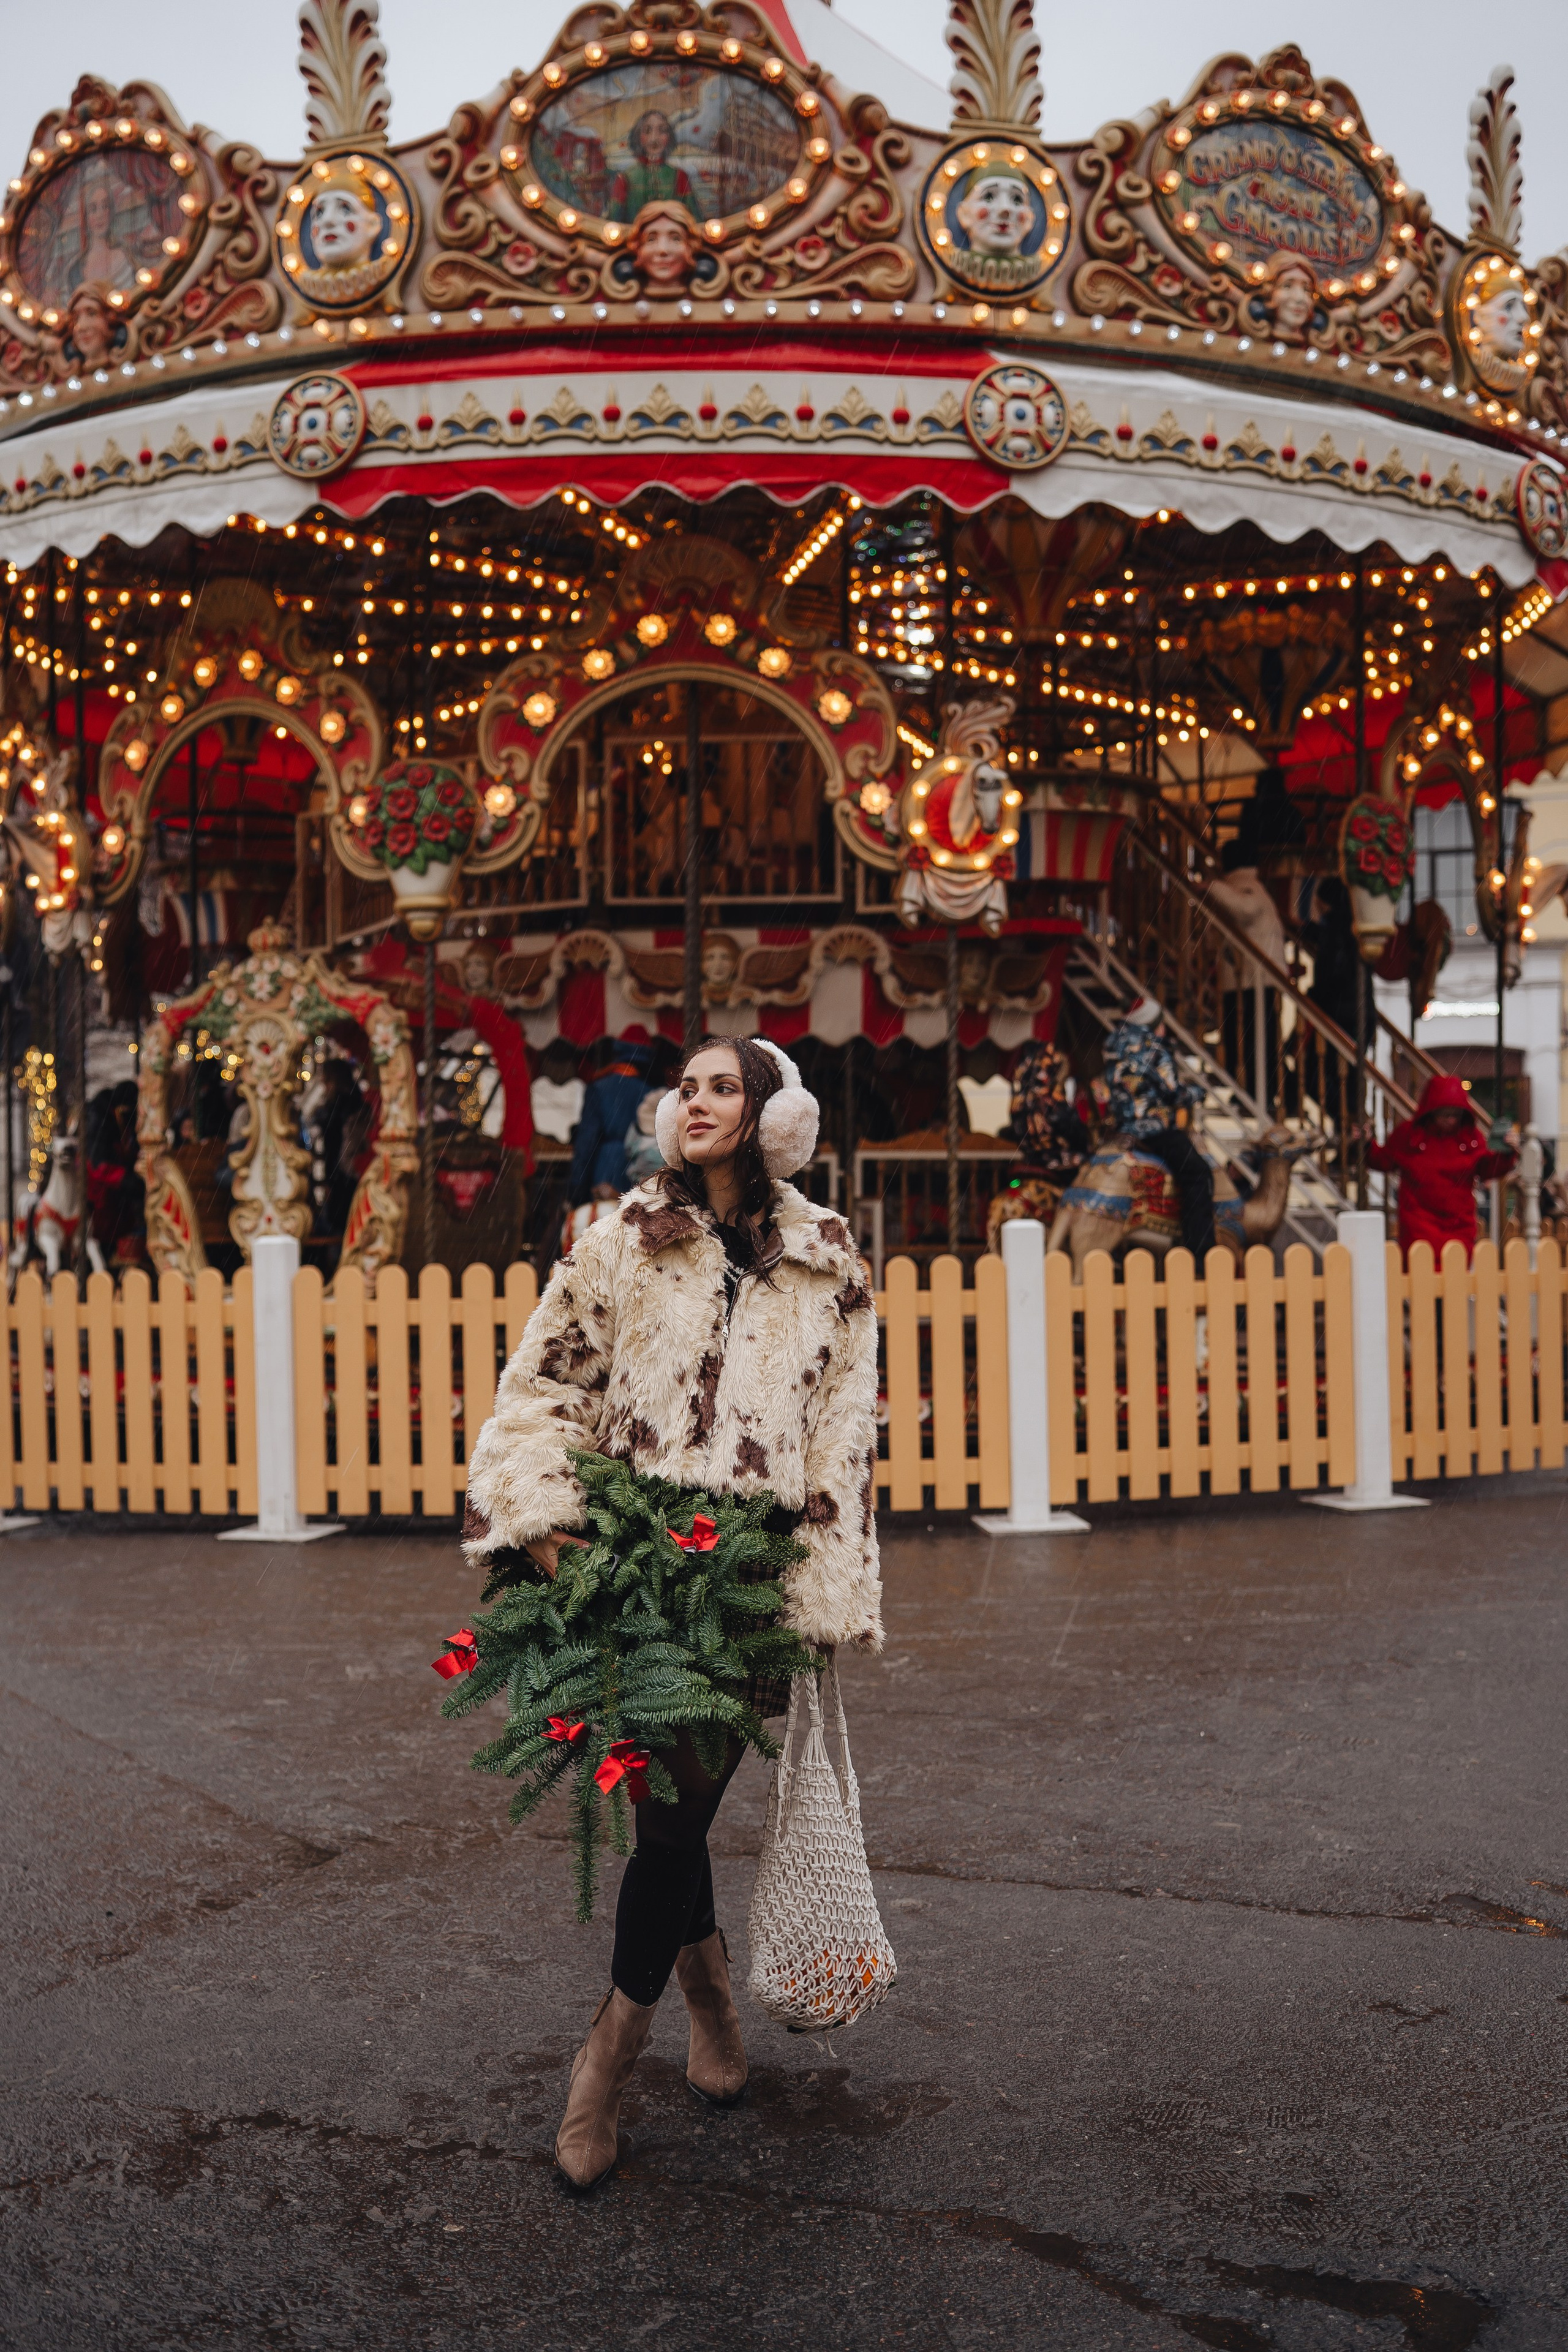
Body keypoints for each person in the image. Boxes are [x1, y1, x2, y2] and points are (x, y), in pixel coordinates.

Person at [462, 1036, 881, 2190]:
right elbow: (542, 1380)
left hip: (749, 1573)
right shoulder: (623, 1238)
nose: (694, 1102)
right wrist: (543, 1514)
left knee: (675, 1816)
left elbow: (845, 1437)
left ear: (768, 1117)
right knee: (669, 1815)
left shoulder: (828, 1261)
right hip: (635, 1557)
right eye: (685, 1087)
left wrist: (824, 1581)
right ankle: (670, 2027)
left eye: (721, 1087)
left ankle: (639, 2036)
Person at [1101, 995, 1216, 1261]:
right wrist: (1197, 1093)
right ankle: (1199, 1253)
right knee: (1199, 1174)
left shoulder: (1113, 1043)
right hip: (1153, 1129)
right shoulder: (1154, 1046)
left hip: (1124, 1128)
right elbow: (1172, 1091)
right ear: (1154, 1022)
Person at [1368, 1071, 1517, 1264]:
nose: (1452, 1120)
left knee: (1451, 1282)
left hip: (1458, 1227)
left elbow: (1487, 1168)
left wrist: (1506, 1154)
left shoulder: (1469, 1137)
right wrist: (1365, 1146)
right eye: (1446, 1114)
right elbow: (1383, 1161)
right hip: (1418, 1227)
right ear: (1431, 1112)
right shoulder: (1408, 1136)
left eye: (1457, 1115)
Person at [568, 1028, 655, 1202]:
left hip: (606, 1169)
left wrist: (575, 1190)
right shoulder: (651, 1093)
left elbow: (587, 1142)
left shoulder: (599, 1088)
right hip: (640, 1170)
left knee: (604, 1224)